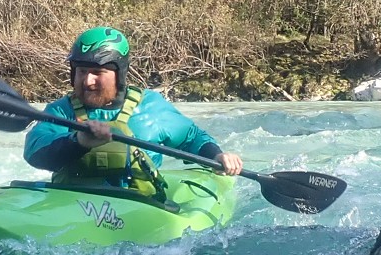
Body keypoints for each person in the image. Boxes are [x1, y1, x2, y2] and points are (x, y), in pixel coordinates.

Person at [24, 27, 243, 197]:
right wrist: (78, 141)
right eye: (81, 71)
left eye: (97, 72)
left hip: (138, 206)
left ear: (119, 74)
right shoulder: (61, 111)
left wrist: (217, 156)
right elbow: (34, 151)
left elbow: (192, 138)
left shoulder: (150, 108)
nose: (87, 81)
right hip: (74, 203)